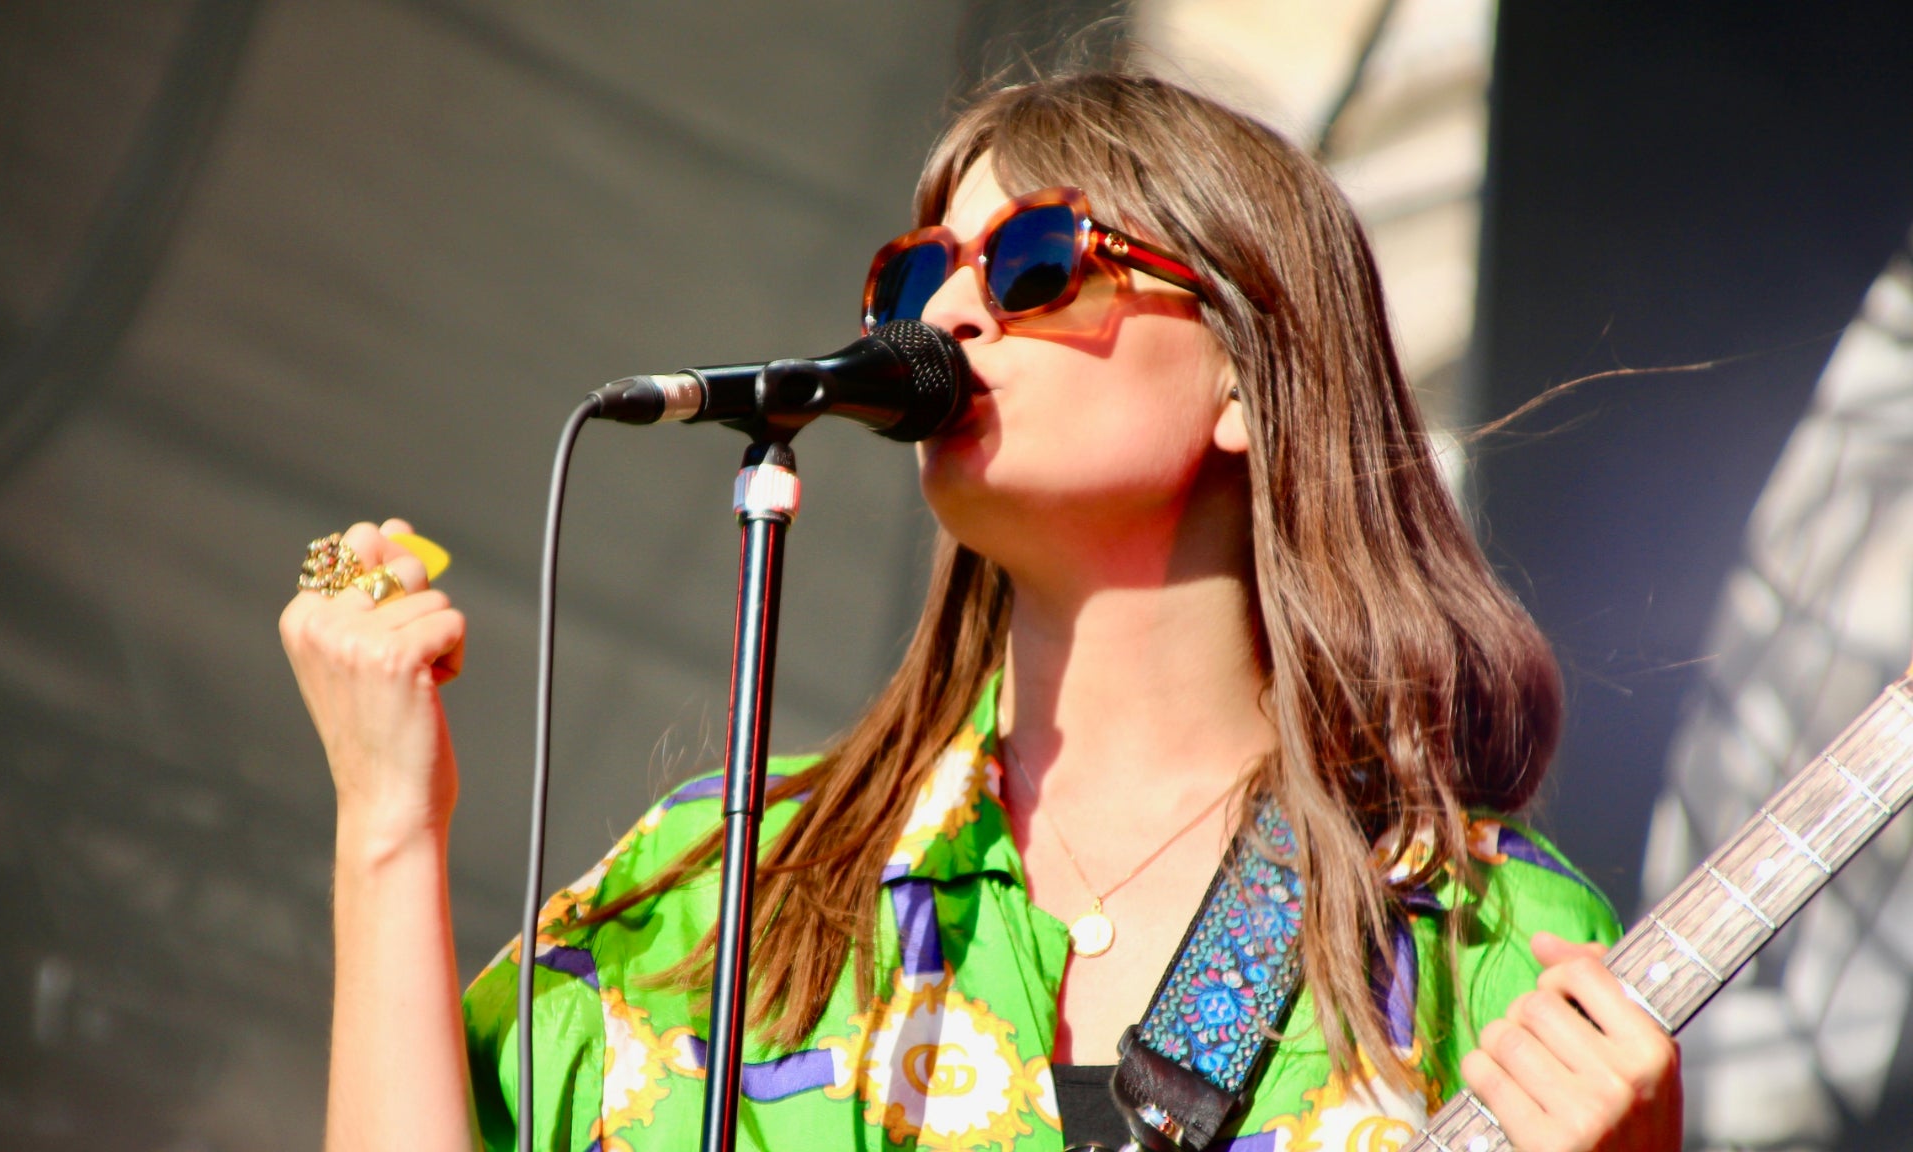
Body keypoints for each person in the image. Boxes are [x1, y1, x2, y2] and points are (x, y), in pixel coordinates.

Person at [280, 72, 1684, 1152]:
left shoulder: (1470, 932)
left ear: (1250, 387)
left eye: (1034, 265)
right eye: (916, 273)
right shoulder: (729, 884)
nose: (946, 310)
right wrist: (388, 832)